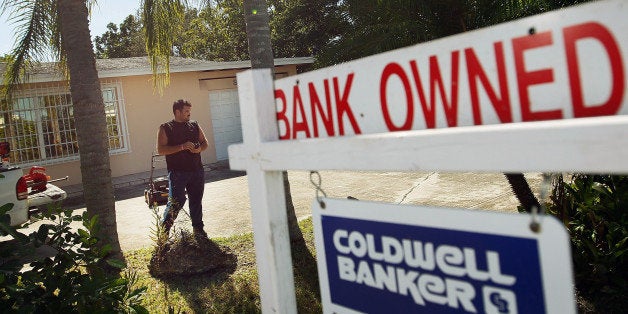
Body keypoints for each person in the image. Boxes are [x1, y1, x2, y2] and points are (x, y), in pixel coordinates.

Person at [157, 99, 209, 237]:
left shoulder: (194, 125)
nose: (189, 114)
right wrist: (182, 147)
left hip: (197, 170)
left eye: (190, 111)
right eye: (186, 111)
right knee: (176, 201)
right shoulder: (166, 128)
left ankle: (198, 230)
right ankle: (164, 233)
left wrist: (198, 150)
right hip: (177, 173)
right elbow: (161, 150)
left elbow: (205, 143)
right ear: (177, 112)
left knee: (196, 200)